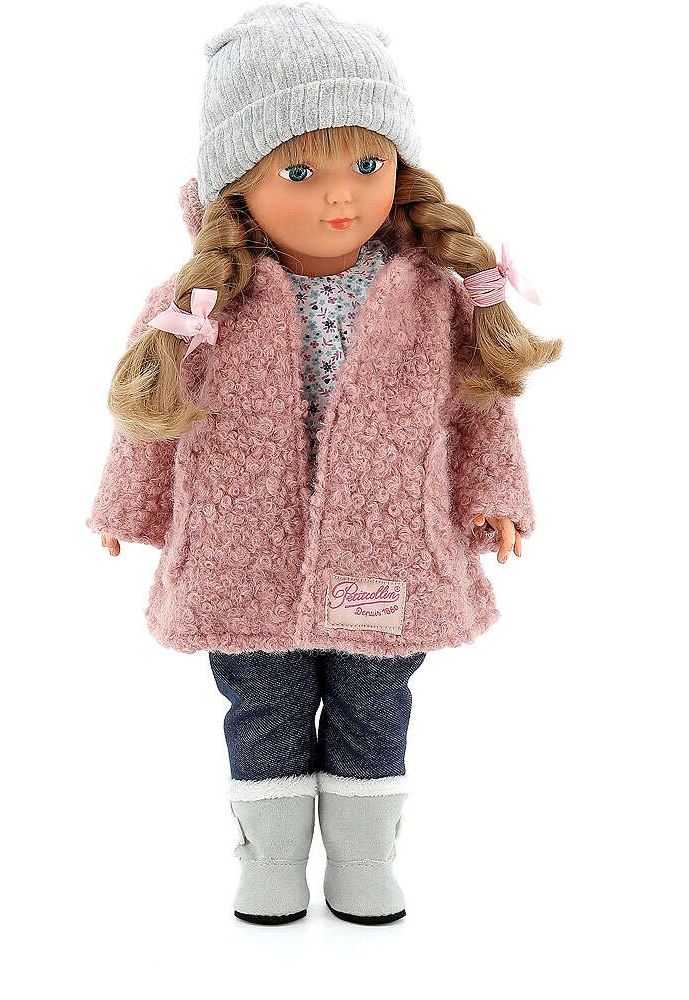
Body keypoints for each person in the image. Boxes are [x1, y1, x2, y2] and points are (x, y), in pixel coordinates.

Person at [87, 2, 561, 925]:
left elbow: (479, 406)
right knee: (259, 703)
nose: (340, 199)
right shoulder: (197, 300)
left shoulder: (430, 294)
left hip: (387, 553)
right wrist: (126, 506)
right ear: (236, 183)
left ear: (402, 167)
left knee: (376, 700)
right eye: (300, 172)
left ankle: (363, 862)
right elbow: (149, 411)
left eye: (368, 166)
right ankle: (268, 864)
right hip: (241, 557)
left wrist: (495, 495)